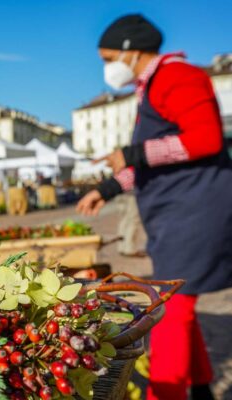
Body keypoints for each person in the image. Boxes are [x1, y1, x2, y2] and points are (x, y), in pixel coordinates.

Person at [77, 14, 232, 400]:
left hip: (195, 211)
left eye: (107, 57)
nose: (106, 68)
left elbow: (206, 140)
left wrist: (131, 152)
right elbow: (155, 162)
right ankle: (200, 388)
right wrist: (110, 186)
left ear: (130, 51)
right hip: (177, 211)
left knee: (171, 310)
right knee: (181, 299)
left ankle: (166, 393)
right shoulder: (152, 86)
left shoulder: (179, 77)